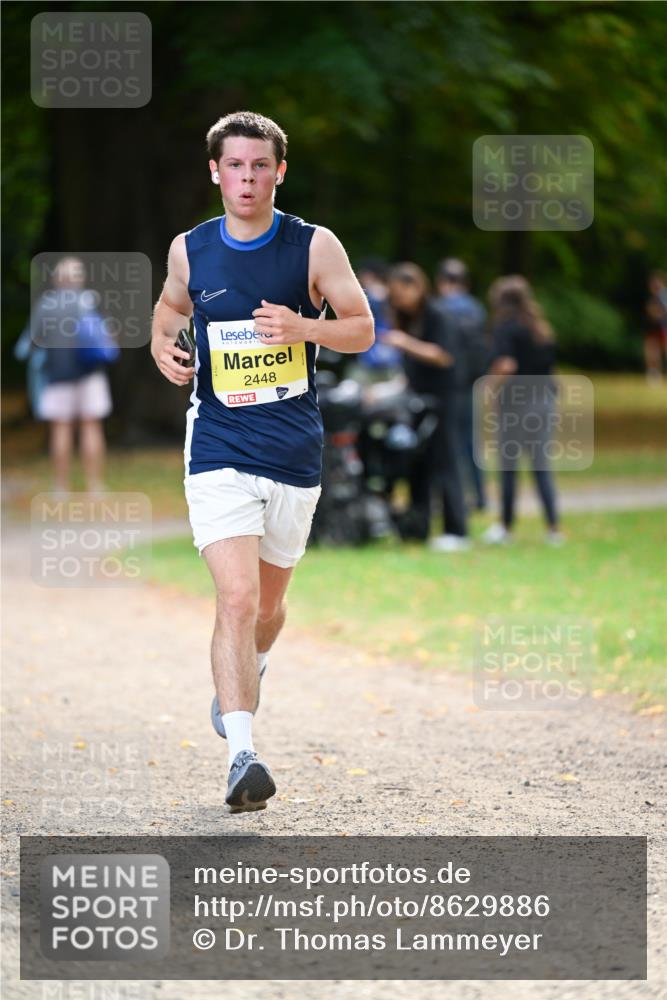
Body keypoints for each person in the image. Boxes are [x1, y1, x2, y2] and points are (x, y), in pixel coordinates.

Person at [150, 111, 374, 814]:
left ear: (279, 171)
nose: (247, 179)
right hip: (217, 445)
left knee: (269, 609)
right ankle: (241, 753)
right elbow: (167, 308)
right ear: (214, 172)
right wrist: (162, 345)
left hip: (293, 449)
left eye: (259, 166)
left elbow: (362, 328)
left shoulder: (314, 245)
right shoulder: (190, 249)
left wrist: (306, 327)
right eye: (234, 166)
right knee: (237, 598)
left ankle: (254, 667)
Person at [383, 263, 469, 551]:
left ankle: (456, 529)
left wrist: (404, 342)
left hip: (444, 398)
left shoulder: (438, 315)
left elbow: (443, 356)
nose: (397, 301)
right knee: (419, 462)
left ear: (416, 287)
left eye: (400, 293)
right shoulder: (408, 317)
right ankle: (418, 527)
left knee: (447, 462)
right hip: (417, 399)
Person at [16, 256, 113, 493]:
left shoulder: (45, 306)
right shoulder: (90, 301)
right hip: (90, 374)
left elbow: (28, 344)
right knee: (92, 427)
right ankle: (95, 486)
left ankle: (60, 487)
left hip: (57, 376)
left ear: (57, 279)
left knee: (61, 429)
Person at [482, 275, 563, 546]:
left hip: (517, 403)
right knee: (541, 465)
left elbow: (506, 364)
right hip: (544, 401)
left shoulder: (506, 327)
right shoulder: (540, 327)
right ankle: (553, 528)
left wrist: (488, 388)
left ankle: (505, 526)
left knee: (508, 466)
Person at [434, 258, 490, 511]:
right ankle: (480, 497)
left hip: (449, 385)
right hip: (474, 383)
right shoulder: (477, 309)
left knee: (449, 443)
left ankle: (452, 498)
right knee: (471, 442)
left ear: (441, 281)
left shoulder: (440, 308)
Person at [643, 270, 667, 383]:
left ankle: (654, 374)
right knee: (652, 350)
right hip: (655, 328)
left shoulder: (663, 295)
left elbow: (661, 312)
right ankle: (654, 374)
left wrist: (656, 312)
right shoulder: (655, 297)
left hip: (664, 328)